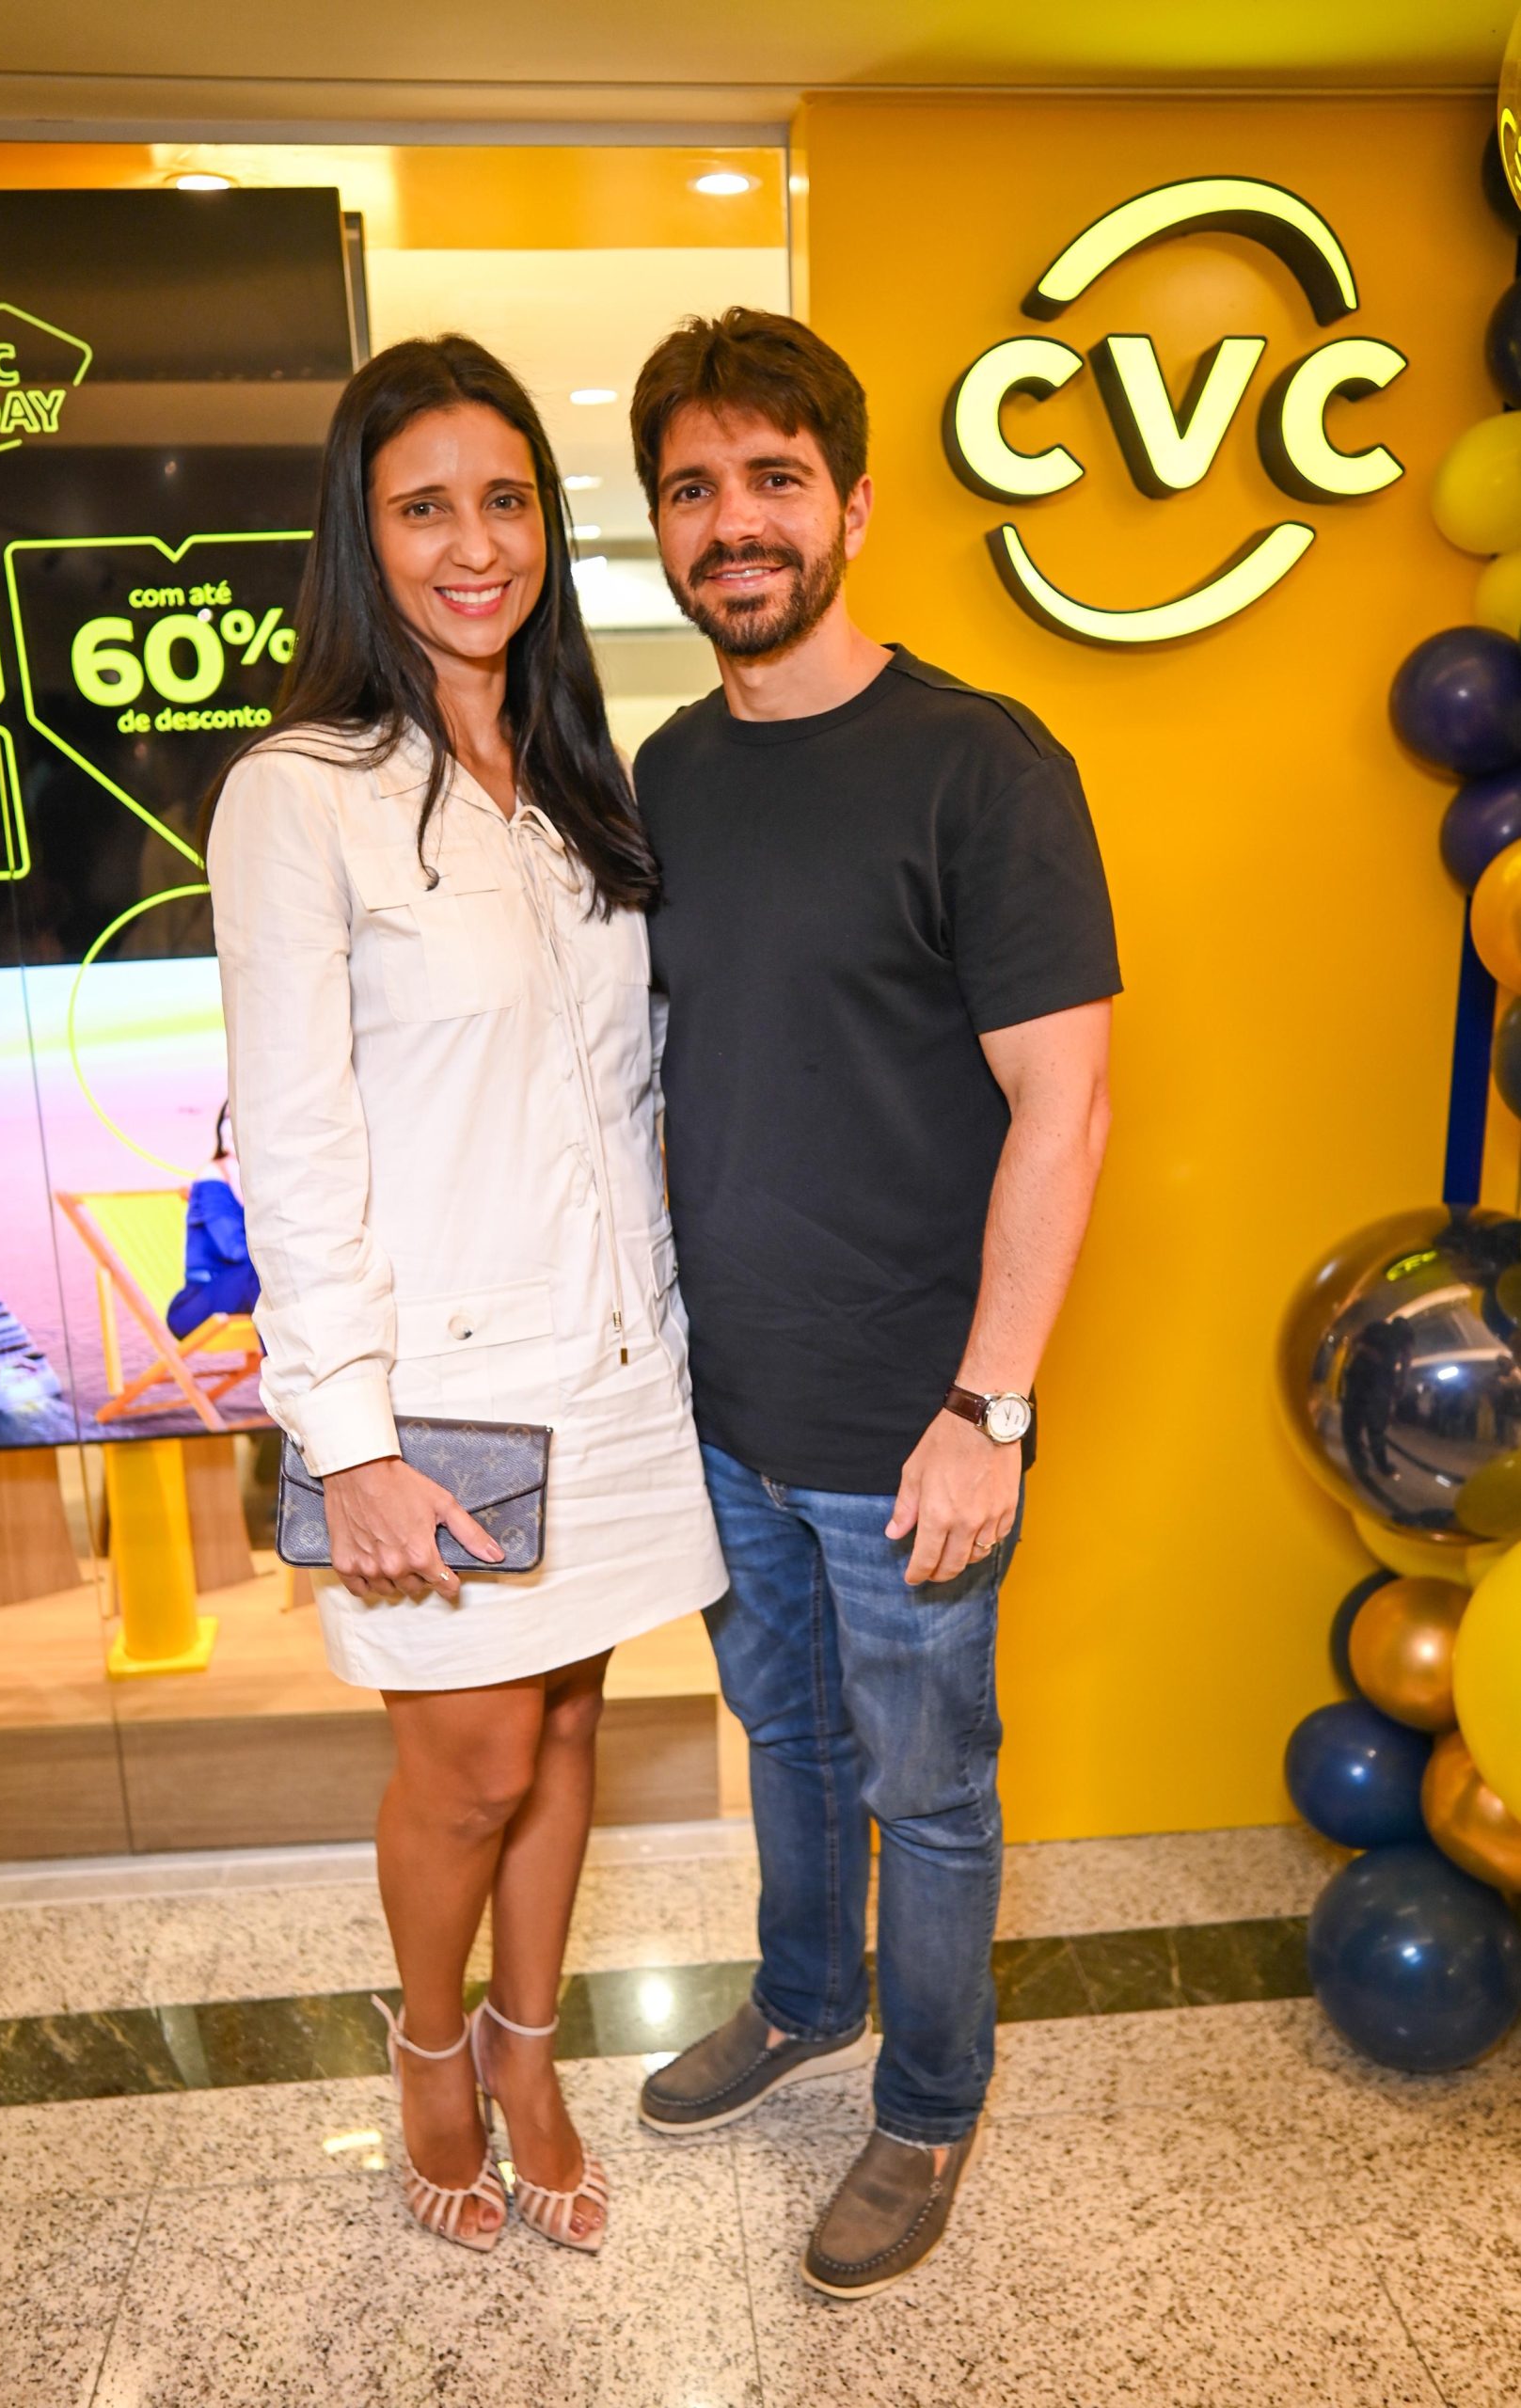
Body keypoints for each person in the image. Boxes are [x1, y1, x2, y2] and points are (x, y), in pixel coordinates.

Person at [206, 333, 726, 2257]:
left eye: (504, 500)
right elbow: (295, 1139)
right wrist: (345, 1441)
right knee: (473, 1760)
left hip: (614, 1359)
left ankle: (530, 2043)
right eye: (424, 508)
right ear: (363, 538)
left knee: (572, 1728)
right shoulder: (300, 796)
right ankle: (431, 2045)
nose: (474, 543)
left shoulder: (580, 790)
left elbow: (626, 1100)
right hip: (434, 1388)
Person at [627, 308, 1119, 2299]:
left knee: (929, 1783)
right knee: (787, 1735)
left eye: (772, 478)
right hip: (727, 1405)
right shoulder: (669, 771)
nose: (732, 522)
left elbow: (1068, 1105)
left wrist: (989, 1408)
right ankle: (805, 1995)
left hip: (917, 1422)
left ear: (852, 504)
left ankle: (925, 2103)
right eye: (692, 488)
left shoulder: (980, 766)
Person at [166, 1102, 259, 1339]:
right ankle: (290, 1361)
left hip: (242, 1291)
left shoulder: (258, 1177)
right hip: (197, 1303)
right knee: (270, 1270)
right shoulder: (212, 1178)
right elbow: (235, 1249)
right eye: (228, 1116)